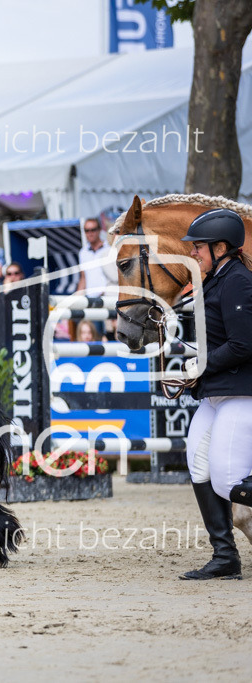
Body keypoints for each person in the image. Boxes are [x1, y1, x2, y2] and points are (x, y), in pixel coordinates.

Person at [176, 207, 252, 580]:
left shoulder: (238, 281)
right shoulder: (214, 280)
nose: (193, 252)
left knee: (227, 479)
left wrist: (200, 367)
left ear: (220, 248)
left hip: (241, 392)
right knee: (199, 465)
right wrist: (190, 368)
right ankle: (225, 556)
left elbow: (243, 344)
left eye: (198, 246)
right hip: (216, 393)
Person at [75, 217, 117, 338]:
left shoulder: (109, 249)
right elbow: (83, 277)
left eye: (93, 229)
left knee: (110, 335)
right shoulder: (83, 252)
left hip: (107, 297)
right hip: (91, 299)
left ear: (99, 230)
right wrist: (77, 297)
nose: (90, 233)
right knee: (92, 335)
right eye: (87, 230)